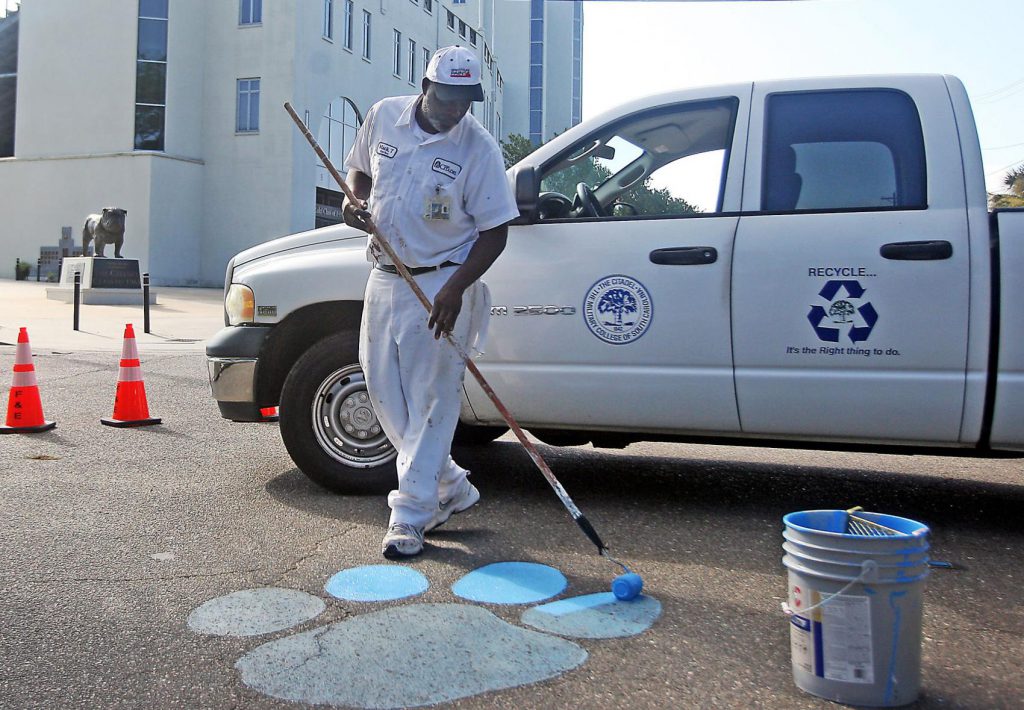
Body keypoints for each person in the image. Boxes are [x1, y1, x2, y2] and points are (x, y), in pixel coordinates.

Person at [342, 46, 520, 559]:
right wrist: (356, 202)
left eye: (466, 100)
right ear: (426, 87)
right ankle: (449, 485)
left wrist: (455, 289)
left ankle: (412, 514)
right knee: (381, 389)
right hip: (383, 274)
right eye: (446, 98)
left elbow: (495, 231)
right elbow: (359, 173)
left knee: (433, 401)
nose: (454, 109)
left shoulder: (478, 149)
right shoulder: (383, 117)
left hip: (441, 286)